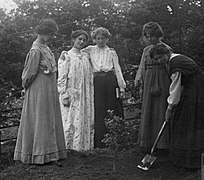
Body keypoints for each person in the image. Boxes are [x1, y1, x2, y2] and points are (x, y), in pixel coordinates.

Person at [14, 19, 67, 166]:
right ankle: (39, 153)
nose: (52, 37)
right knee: (41, 119)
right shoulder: (35, 50)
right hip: (39, 90)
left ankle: (51, 152)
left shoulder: (46, 48)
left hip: (49, 90)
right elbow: (29, 74)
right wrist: (26, 87)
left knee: (49, 118)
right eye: (51, 34)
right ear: (43, 33)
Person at [150, 43, 204, 169]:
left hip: (196, 91)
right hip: (193, 88)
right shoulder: (175, 58)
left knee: (187, 121)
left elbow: (175, 89)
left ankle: (191, 160)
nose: (159, 61)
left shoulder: (175, 63)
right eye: (156, 59)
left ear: (166, 53)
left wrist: (170, 108)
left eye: (159, 57)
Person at [84, 27, 126, 148]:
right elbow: (76, 52)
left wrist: (121, 86)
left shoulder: (111, 52)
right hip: (97, 81)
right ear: (94, 39)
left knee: (111, 106)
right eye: (98, 38)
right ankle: (99, 141)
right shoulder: (90, 50)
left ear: (107, 39)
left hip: (109, 81)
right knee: (98, 108)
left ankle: (114, 139)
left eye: (103, 38)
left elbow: (117, 69)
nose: (100, 40)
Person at [135, 22, 171, 153]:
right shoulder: (146, 50)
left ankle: (162, 145)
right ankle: (147, 143)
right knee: (148, 110)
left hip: (162, 81)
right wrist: (139, 82)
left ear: (159, 35)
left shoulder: (166, 49)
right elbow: (142, 67)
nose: (150, 39)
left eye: (153, 36)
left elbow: (169, 67)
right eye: (147, 36)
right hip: (148, 81)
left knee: (160, 110)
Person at [58, 30, 94, 152]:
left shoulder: (85, 56)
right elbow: (62, 78)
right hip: (72, 94)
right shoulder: (66, 56)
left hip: (85, 94)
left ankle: (83, 149)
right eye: (79, 39)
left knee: (84, 119)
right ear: (73, 40)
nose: (81, 42)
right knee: (70, 121)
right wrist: (64, 94)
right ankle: (69, 148)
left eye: (84, 40)